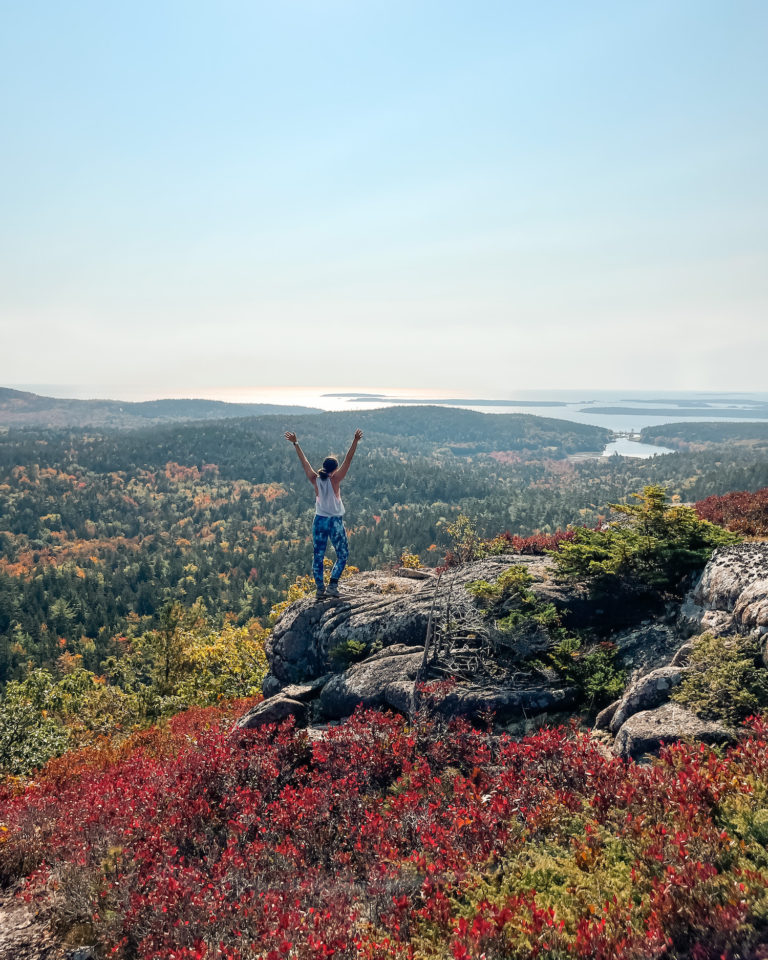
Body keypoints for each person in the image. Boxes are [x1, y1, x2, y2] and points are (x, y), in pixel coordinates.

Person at [284, 428, 364, 599]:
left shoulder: (315, 479)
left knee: (318, 555)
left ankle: (320, 589)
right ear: (334, 469)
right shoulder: (336, 479)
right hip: (334, 521)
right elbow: (348, 460)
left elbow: (304, 462)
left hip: (319, 521)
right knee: (342, 554)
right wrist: (355, 441)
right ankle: (332, 586)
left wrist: (296, 443)